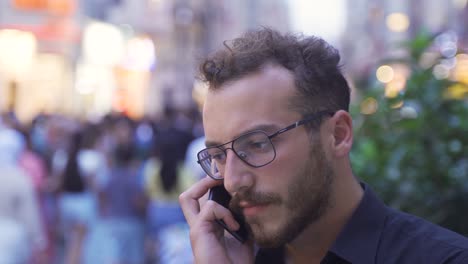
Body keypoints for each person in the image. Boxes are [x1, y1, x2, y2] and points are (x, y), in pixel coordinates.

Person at [178, 28, 468, 264]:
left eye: (256, 144)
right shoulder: (232, 257)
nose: (231, 181)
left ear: (338, 135)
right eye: (218, 156)